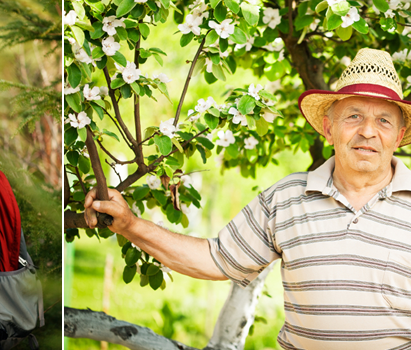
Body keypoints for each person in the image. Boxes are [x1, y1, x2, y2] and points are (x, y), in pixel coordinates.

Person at [85, 48, 411, 349]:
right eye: (354, 116)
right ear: (328, 128)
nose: (368, 131)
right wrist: (129, 224)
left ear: (398, 136)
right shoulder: (286, 198)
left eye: (383, 120)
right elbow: (214, 259)